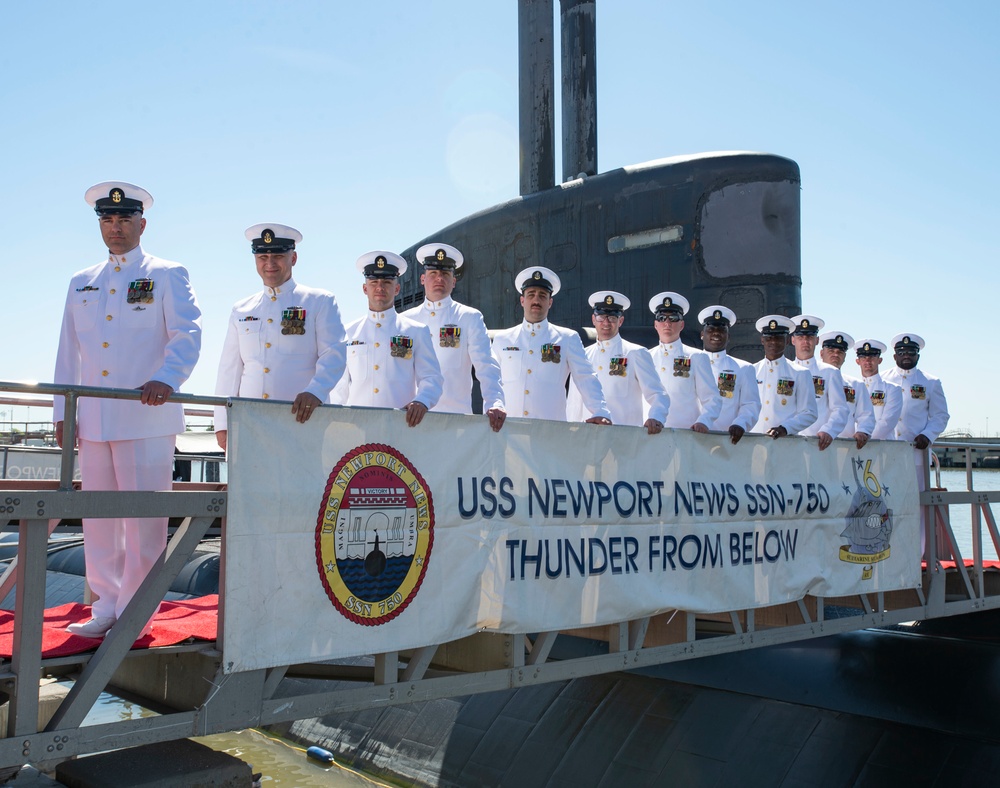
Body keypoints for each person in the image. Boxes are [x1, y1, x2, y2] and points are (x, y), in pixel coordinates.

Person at [53, 181, 202, 638]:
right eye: (107, 219)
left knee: (143, 522)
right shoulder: (83, 280)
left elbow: (188, 334)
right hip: (94, 419)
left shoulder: (166, 273)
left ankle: (138, 613)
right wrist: (64, 411)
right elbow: (68, 352)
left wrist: (168, 378)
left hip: (146, 417)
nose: (115, 227)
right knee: (99, 518)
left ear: (142, 223)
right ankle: (106, 606)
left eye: (123, 219)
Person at [214, 224, 347, 449]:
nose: (270, 263)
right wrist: (221, 423)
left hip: (301, 421)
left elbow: (334, 355)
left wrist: (315, 392)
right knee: (252, 484)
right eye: (263, 256)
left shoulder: (319, 301)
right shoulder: (242, 309)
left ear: (293, 258)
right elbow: (230, 369)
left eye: (277, 256)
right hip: (251, 422)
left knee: (301, 484)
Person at [401, 242, 506, 431]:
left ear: (454, 281)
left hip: (455, 423)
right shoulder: (405, 321)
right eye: (433, 274)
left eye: (445, 274)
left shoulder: (468, 318)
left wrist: (495, 402)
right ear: (423, 279)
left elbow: (486, 365)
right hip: (411, 422)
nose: (439, 279)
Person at [332, 251, 442, 426]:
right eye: (374, 282)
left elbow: (432, 378)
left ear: (397, 289)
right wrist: (334, 418)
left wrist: (422, 401)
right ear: (364, 288)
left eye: (387, 282)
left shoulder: (416, 331)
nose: (380, 288)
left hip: (400, 425)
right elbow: (339, 384)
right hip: (357, 426)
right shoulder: (349, 332)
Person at [491, 267, 611, 423]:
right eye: (531, 295)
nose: (536, 300)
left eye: (542, 295)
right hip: (509, 431)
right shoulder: (502, 340)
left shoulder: (567, 338)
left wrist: (599, 410)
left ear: (550, 302)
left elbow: (586, 378)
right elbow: (493, 381)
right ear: (522, 300)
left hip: (549, 433)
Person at [567, 291, 668, 433]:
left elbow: (657, 393)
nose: (606, 323)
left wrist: (656, 417)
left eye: (612, 318)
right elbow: (574, 402)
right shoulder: (583, 356)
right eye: (601, 317)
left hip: (624, 439)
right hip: (588, 439)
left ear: (620, 321)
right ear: (593, 319)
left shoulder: (635, 353)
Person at [647, 292, 721, 432]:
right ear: (656, 324)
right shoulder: (646, 357)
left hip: (685, 434)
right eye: (662, 318)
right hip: (651, 434)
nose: (667, 323)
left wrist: (704, 421)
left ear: (681, 325)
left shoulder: (696, 357)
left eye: (673, 318)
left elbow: (712, 398)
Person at [696, 305, 761, 444]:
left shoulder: (743, 368)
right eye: (711, 329)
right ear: (702, 334)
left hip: (726, 441)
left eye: (721, 330)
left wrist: (740, 424)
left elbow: (750, 404)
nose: (716, 333)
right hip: (691, 437)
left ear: (728, 336)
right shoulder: (689, 363)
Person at [789, 315, 849, 450]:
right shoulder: (786, 371)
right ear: (793, 340)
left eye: (810, 337)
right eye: (800, 337)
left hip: (816, 442)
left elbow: (840, 408)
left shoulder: (830, 372)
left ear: (816, 340)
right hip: (787, 441)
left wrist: (829, 430)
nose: (805, 341)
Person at [750, 315, 817, 438]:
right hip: (753, 441)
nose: (773, 342)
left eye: (779, 338)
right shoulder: (751, 371)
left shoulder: (800, 373)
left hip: (784, 444)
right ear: (762, 340)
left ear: (787, 341)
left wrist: (786, 428)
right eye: (769, 338)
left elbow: (809, 412)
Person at [882, 334, 949, 450]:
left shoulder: (931, 382)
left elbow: (940, 415)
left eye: (911, 352)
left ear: (918, 356)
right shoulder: (882, 379)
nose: (906, 356)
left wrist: (927, 435)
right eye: (901, 353)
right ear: (894, 356)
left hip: (916, 450)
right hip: (885, 448)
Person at [818, 330, 875, 450]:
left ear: (844, 357)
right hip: (813, 442)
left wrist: (863, 431)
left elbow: (866, 414)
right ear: (821, 353)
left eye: (840, 352)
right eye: (831, 351)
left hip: (844, 447)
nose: (835, 355)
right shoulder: (808, 378)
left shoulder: (856, 385)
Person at [852, 339, 903, 441]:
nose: (867, 361)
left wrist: (865, 438)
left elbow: (887, 422)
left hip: (881, 446)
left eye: (872, 356)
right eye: (863, 357)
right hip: (853, 445)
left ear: (880, 360)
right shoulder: (852, 387)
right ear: (857, 361)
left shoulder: (892, 389)